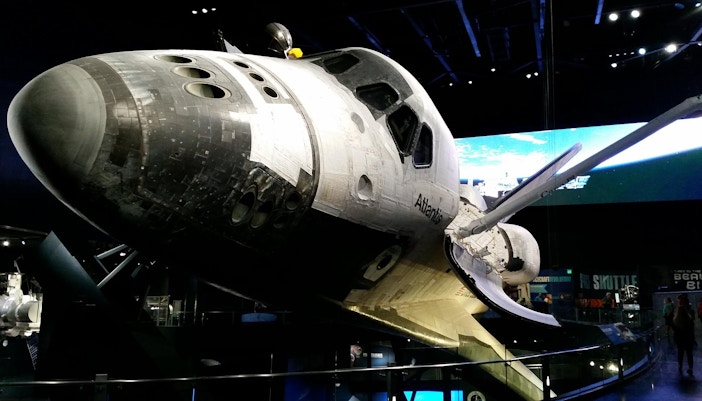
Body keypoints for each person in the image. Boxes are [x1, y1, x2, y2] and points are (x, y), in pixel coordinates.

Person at [672, 294, 695, 375]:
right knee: (689, 353)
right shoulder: (689, 318)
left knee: (680, 352)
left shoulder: (676, 319)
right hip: (688, 338)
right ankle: (690, 367)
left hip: (679, 338)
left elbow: (674, 329)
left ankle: (680, 366)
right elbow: (691, 328)